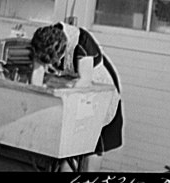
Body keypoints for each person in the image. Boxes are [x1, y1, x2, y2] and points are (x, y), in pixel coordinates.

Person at [30, 21, 123, 172]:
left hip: (98, 89)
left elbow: (84, 81)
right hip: (73, 89)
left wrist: (67, 111)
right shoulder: (42, 42)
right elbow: (37, 76)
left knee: (92, 143)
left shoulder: (82, 43)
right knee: (68, 146)